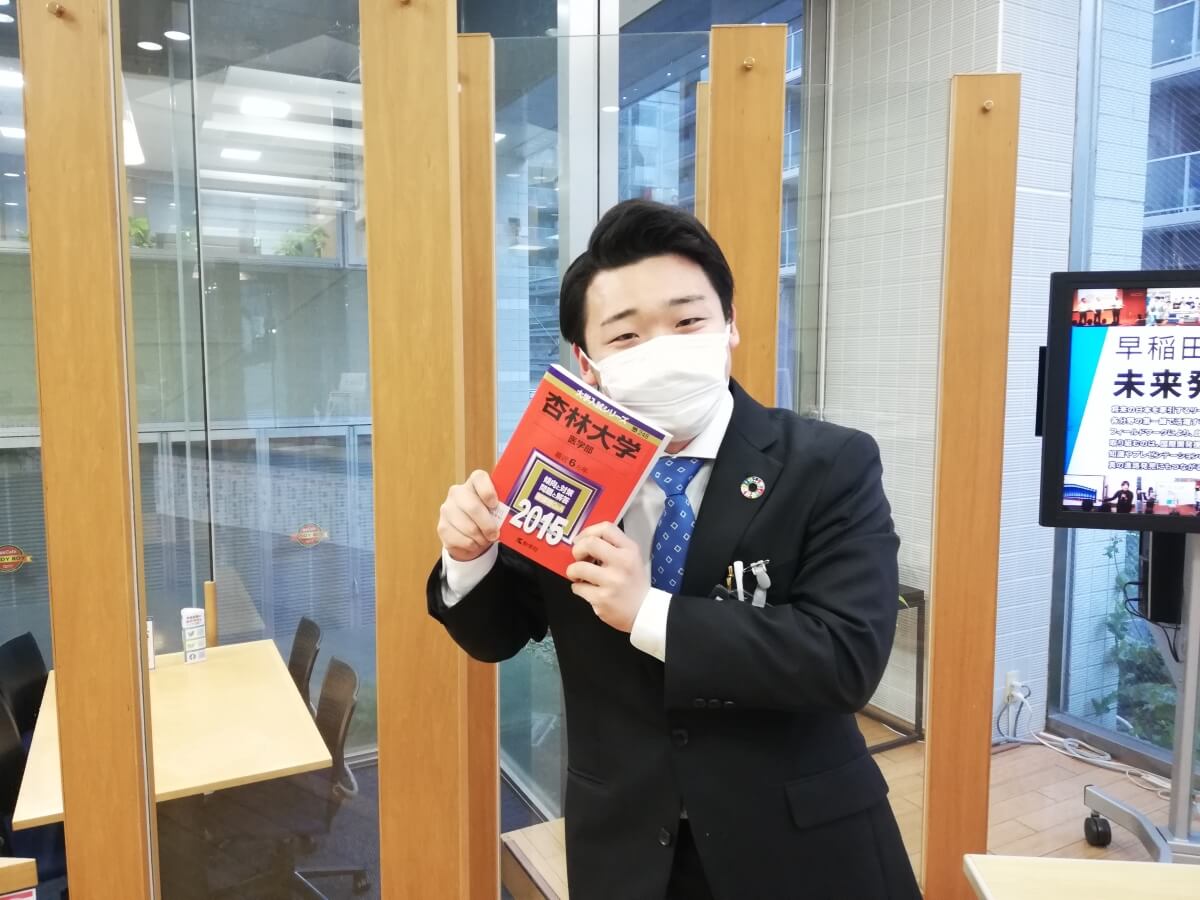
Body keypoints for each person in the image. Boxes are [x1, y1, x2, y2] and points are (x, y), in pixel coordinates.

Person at [427, 200, 918, 899]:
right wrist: (468, 555)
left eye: (687, 321)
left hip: (801, 846)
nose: (662, 348)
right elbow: (496, 634)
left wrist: (649, 612)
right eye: (626, 336)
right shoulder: (564, 469)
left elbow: (846, 658)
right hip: (627, 851)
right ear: (587, 363)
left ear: (730, 324)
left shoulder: (829, 463)